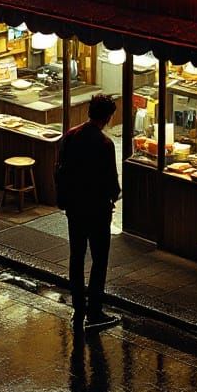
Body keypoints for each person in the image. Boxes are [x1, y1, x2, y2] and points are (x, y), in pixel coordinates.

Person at [56, 93, 121, 331]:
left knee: (77, 257)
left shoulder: (71, 136)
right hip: (97, 210)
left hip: (75, 208)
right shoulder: (105, 144)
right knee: (99, 259)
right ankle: (94, 311)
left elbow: (60, 170)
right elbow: (111, 182)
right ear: (107, 117)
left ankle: (78, 309)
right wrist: (115, 195)